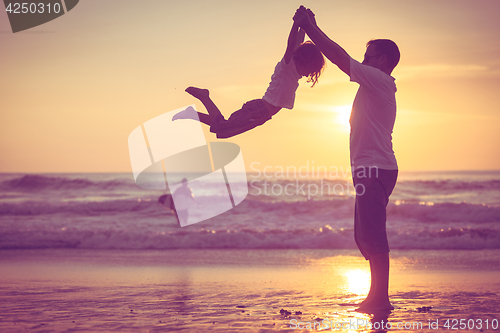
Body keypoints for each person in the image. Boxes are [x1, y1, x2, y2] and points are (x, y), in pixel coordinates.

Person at [293, 6, 400, 312]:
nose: (363, 60)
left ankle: (381, 298)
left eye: (369, 55)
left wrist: (310, 27)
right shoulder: (375, 85)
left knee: (373, 233)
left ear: (382, 60)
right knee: (365, 234)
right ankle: (376, 295)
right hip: (372, 168)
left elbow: (340, 57)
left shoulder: (378, 80)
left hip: (375, 168)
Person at [173, 20, 325, 138]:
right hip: (258, 111)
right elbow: (292, 43)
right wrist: (296, 23)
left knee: (224, 130)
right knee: (222, 128)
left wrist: (307, 24)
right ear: (304, 60)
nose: (307, 75)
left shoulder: (296, 72)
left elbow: (299, 40)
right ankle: (204, 98)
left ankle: (192, 113)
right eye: (309, 70)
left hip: (262, 116)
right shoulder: (288, 65)